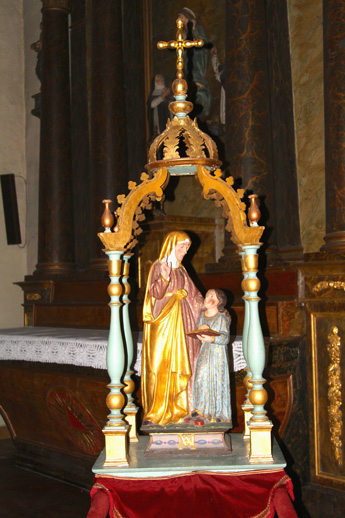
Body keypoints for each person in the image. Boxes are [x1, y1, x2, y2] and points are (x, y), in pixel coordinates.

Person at [141, 231, 204, 426]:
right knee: (163, 363)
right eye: (182, 247)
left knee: (184, 361)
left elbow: (194, 295)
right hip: (163, 323)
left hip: (183, 321)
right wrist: (165, 278)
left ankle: (183, 407)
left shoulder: (182, 270)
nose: (185, 252)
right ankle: (160, 409)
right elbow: (155, 293)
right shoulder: (159, 266)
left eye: (187, 248)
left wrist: (209, 305)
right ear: (171, 246)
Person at [193, 289, 232, 423]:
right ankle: (202, 409)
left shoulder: (221, 317)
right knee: (201, 376)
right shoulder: (203, 315)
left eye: (211, 296)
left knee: (217, 379)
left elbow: (225, 337)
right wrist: (200, 332)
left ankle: (219, 413)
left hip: (217, 353)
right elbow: (198, 330)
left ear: (218, 301)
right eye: (207, 295)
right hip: (205, 351)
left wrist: (212, 338)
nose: (207, 298)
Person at [178, 7, 211, 118]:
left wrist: (196, 36)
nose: (180, 20)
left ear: (186, 17)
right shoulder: (183, 32)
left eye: (181, 17)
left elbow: (204, 43)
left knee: (196, 73)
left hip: (198, 57)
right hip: (187, 59)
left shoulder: (198, 28)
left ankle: (198, 85)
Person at [147, 74, 172, 142]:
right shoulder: (154, 93)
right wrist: (162, 97)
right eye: (158, 77)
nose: (161, 78)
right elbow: (152, 104)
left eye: (162, 77)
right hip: (159, 123)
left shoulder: (168, 92)